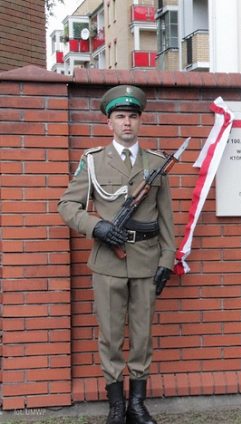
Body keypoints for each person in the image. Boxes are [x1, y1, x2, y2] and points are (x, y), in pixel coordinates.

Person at [58, 85, 175, 424]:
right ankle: (115, 405)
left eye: (133, 116)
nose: (127, 123)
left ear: (140, 121)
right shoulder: (93, 161)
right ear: (109, 122)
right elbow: (66, 205)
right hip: (108, 261)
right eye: (120, 116)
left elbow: (166, 218)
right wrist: (97, 227)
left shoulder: (155, 164)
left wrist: (167, 260)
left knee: (142, 336)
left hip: (146, 261)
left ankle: (137, 405)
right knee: (110, 336)